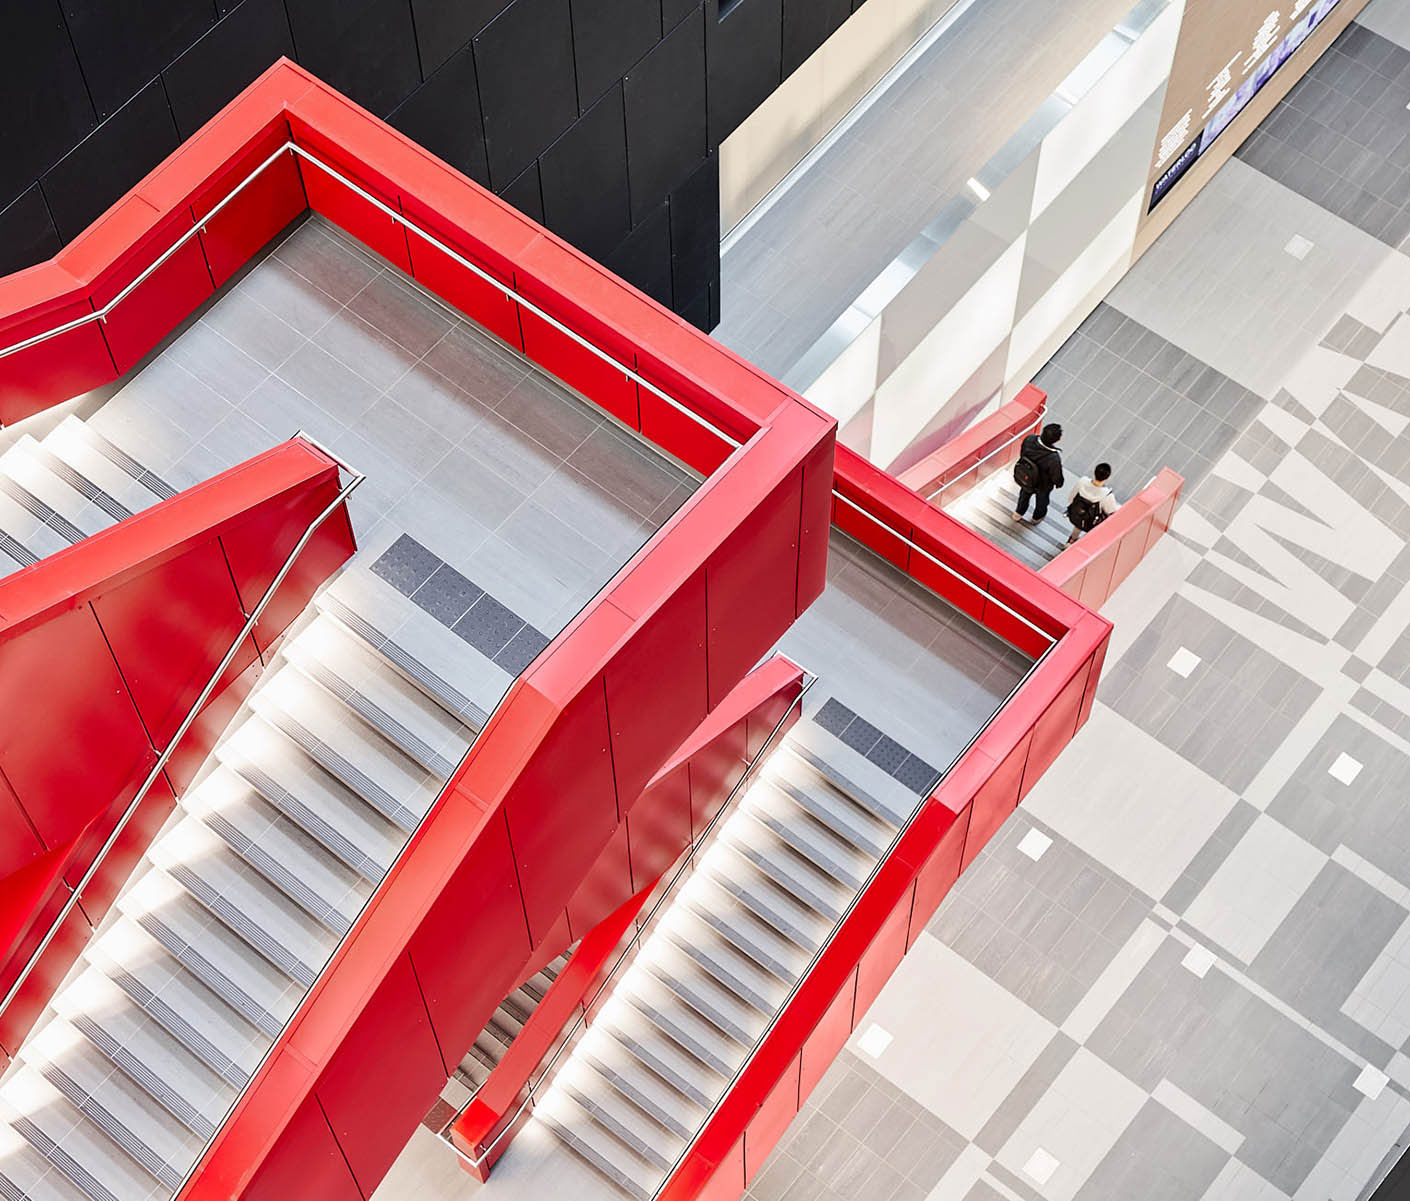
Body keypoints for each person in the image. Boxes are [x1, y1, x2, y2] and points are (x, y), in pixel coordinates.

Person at [1012, 423, 1064, 523]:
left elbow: (1022, 453)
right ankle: (1036, 518)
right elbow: (1056, 476)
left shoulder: (1030, 439)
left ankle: (1018, 513)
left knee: (1024, 496)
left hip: (1027, 478)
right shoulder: (1053, 458)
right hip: (1043, 485)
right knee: (1042, 502)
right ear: (1057, 440)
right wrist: (1059, 483)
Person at [1064, 462, 1120, 544]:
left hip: (1077, 516)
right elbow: (1111, 511)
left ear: (1094, 472)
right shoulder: (1107, 495)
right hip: (1092, 523)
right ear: (1107, 477)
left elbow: (1071, 497)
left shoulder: (1082, 482)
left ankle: (1072, 539)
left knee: (1079, 525)